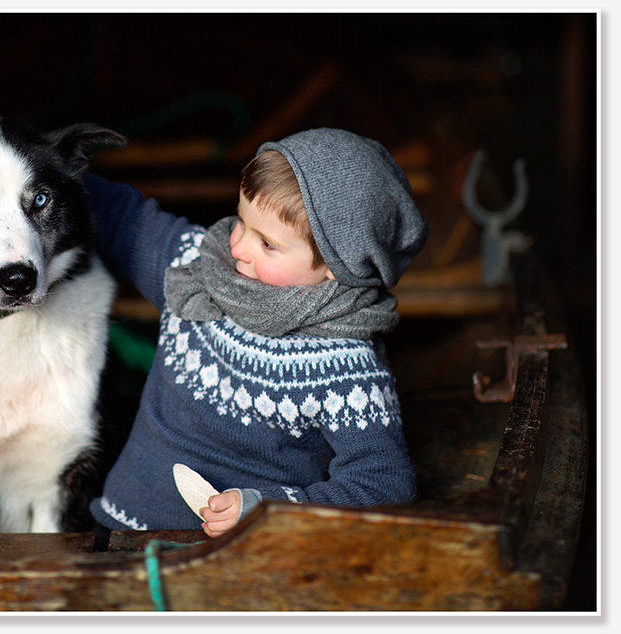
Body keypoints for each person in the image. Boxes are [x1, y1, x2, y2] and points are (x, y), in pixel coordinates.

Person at [85, 128, 428, 538]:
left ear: (338, 267)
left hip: (237, 564)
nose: (239, 248)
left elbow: (383, 485)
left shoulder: (345, 369)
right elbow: (124, 218)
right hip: (114, 534)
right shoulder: (197, 268)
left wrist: (265, 509)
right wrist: (29, 165)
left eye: (267, 244)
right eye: (241, 221)